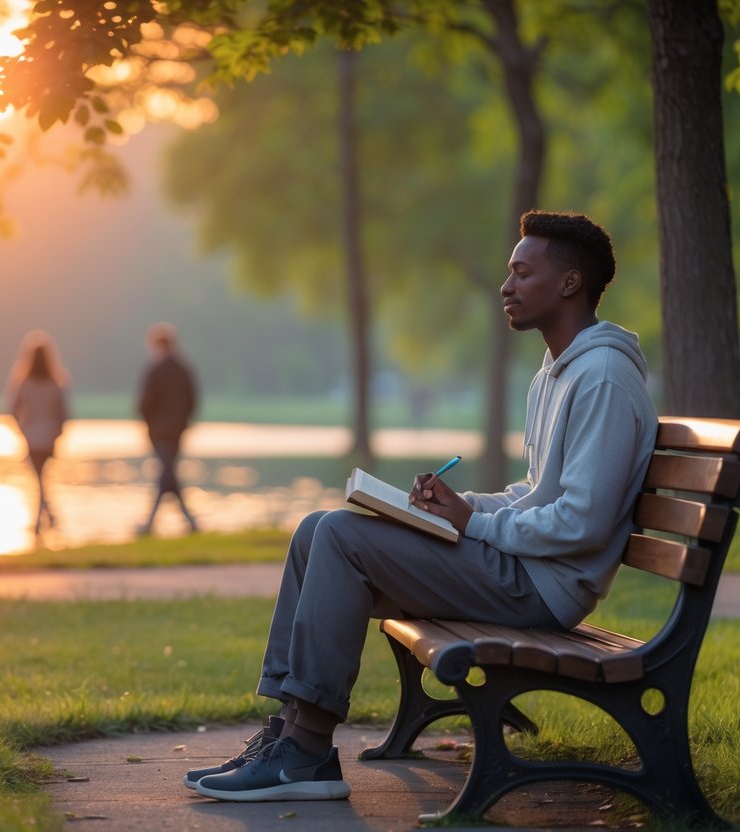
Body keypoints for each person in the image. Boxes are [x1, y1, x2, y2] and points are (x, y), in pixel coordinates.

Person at [186, 210, 658, 803]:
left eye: (521, 272)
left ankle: (305, 754)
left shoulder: (604, 377)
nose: (506, 286)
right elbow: (540, 491)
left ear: (569, 283)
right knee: (315, 530)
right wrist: (458, 506)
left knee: (339, 536)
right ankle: (287, 733)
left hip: (542, 589)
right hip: (522, 572)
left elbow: (581, 522)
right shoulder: (558, 371)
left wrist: (475, 523)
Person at [5, 330, 71, 536]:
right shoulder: (56, 383)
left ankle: (41, 520)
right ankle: (46, 517)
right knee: (41, 478)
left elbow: (12, 410)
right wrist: (57, 433)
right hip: (49, 436)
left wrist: (22, 429)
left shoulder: (24, 382)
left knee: (39, 478)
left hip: (32, 437)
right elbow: (64, 414)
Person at [136, 322, 199, 534]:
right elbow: (193, 401)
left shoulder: (154, 370)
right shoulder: (184, 370)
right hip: (178, 430)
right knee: (168, 473)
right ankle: (188, 521)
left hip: (159, 432)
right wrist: (183, 421)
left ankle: (152, 523)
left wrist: (149, 423)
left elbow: (144, 404)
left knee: (166, 474)